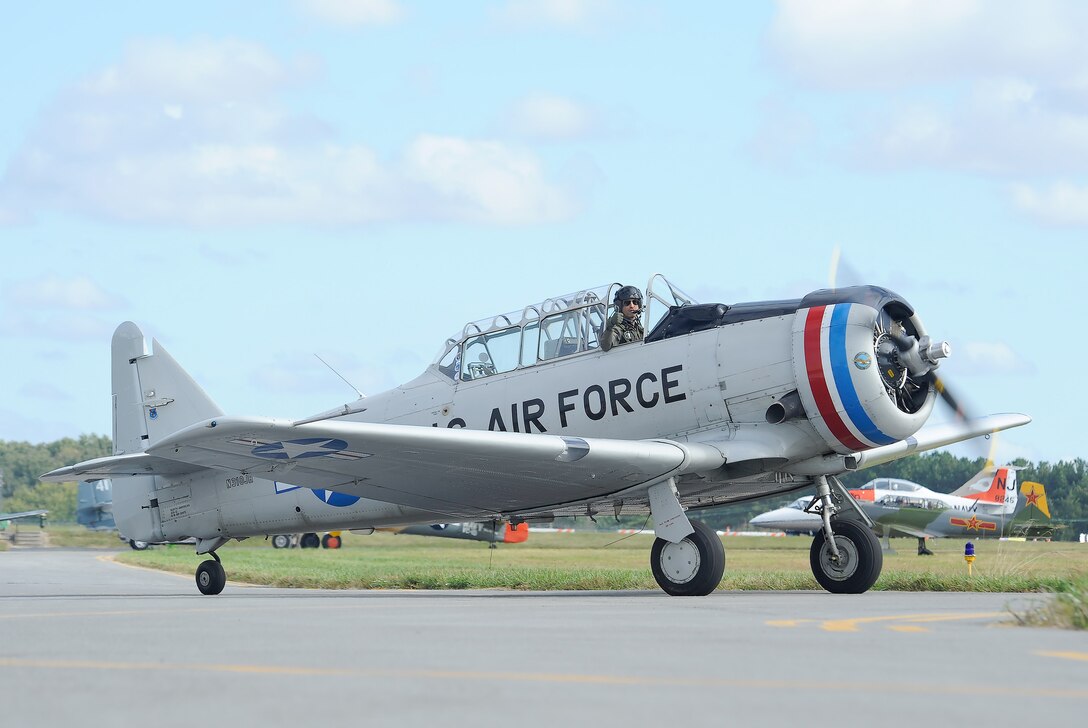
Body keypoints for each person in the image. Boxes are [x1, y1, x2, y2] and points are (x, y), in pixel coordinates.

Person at [602, 285, 645, 351]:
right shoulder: (617, 328)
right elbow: (605, 346)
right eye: (627, 303)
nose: (632, 306)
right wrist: (610, 325)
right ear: (620, 306)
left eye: (635, 302)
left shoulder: (639, 328)